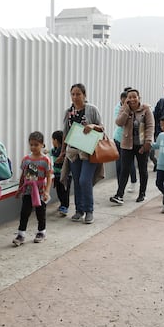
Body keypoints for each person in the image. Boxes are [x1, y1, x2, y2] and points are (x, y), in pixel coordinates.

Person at [59, 83, 104, 225]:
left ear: (84, 95)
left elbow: (102, 128)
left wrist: (93, 126)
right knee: (77, 181)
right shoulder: (69, 112)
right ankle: (79, 210)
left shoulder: (91, 109)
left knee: (85, 180)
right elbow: (66, 133)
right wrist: (62, 152)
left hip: (89, 151)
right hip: (73, 151)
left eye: (78, 94)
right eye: (73, 94)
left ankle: (89, 210)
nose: (75, 97)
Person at [109, 88, 153, 205]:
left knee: (142, 169)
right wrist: (127, 110)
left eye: (134, 97)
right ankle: (119, 195)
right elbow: (119, 123)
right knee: (124, 169)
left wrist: (148, 142)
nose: (132, 99)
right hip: (127, 145)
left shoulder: (146, 109)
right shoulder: (124, 109)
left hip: (141, 145)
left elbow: (150, 126)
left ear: (139, 98)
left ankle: (142, 193)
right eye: (130, 97)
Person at [13, 131, 53, 246]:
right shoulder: (26, 159)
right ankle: (21, 234)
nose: (33, 147)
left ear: (42, 145)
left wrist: (46, 191)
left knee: (41, 212)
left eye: (36, 144)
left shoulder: (45, 160)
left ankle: (41, 232)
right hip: (28, 191)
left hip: (40, 191)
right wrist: (19, 189)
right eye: (31, 144)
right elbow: (23, 175)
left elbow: (49, 176)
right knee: (24, 212)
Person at [112, 89, 137, 194]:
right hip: (118, 139)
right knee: (119, 165)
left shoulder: (137, 108)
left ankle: (133, 181)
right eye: (122, 101)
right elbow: (120, 122)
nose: (124, 103)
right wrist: (125, 110)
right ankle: (120, 187)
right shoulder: (119, 108)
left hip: (129, 140)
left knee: (129, 164)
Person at [50, 130, 71, 216]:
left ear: (55, 140)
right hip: (57, 174)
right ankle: (62, 204)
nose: (52, 141)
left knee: (64, 191)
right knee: (59, 190)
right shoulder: (55, 150)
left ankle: (65, 206)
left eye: (52, 139)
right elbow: (50, 152)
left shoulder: (63, 151)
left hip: (65, 175)